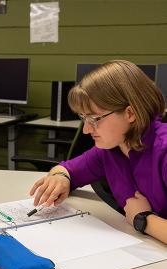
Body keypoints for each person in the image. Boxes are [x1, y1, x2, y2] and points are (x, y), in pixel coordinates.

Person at [30, 60, 167, 244]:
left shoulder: (163, 151)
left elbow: (140, 219)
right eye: (84, 118)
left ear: (130, 113)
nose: (86, 130)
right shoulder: (110, 150)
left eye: (94, 119)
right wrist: (61, 178)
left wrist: (143, 219)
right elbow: (67, 169)